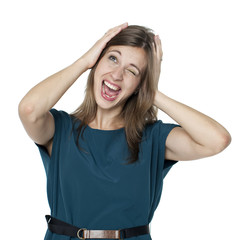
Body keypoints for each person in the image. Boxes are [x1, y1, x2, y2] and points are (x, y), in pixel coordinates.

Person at [18, 22, 231, 240]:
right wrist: (84, 62)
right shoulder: (61, 129)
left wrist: (153, 92)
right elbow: (29, 110)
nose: (117, 75)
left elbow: (217, 140)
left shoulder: (151, 137)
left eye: (131, 71)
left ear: (140, 84)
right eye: (112, 58)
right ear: (97, 61)